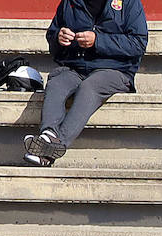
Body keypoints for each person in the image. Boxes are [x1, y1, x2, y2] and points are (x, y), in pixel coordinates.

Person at [24, 0, 147, 167]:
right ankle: (48, 134)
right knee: (57, 82)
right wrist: (58, 38)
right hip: (76, 67)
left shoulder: (129, 3)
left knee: (90, 87)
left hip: (116, 70)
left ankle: (55, 142)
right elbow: (53, 39)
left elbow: (138, 43)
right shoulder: (69, 3)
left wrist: (98, 40)